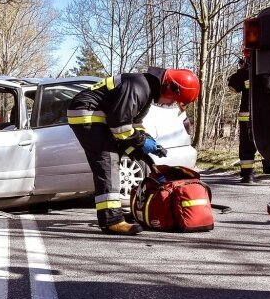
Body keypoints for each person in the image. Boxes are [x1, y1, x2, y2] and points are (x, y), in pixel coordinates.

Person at [67, 67, 200, 235]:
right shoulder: (139, 87)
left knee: (131, 152)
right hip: (88, 113)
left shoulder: (145, 90)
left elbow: (133, 123)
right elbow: (119, 125)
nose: (170, 104)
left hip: (100, 114)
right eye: (173, 100)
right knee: (108, 160)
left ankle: (114, 213)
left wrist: (146, 143)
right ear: (168, 87)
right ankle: (111, 221)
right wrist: (142, 141)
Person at [227, 51, 270, 183]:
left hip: (247, 118)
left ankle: (248, 175)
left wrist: (241, 70)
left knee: (247, 146)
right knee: (269, 141)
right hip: (267, 116)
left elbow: (232, 87)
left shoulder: (245, 72)